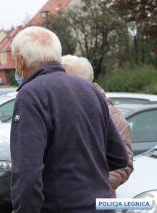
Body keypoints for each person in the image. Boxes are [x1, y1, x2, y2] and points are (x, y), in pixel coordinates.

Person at [10, 26, 129, 213]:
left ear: (19, 60)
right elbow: (119, 157)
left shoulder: (31, 94)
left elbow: (27, 175)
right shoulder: (89, 89)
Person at [61, 54, 134, 197]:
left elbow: (124, 166)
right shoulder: (61, 109)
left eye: (64, 79)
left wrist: (87, 188)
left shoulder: (112, 116)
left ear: (81, 82)